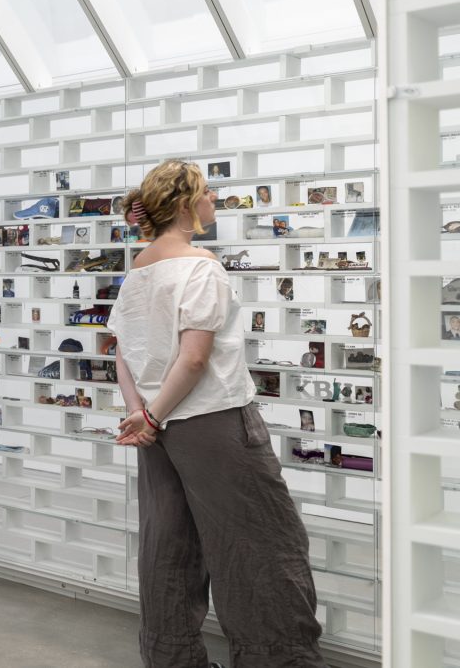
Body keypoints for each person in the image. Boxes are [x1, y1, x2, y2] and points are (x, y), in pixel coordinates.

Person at [107, 160, 326, 667]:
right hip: (211, 423)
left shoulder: (138, 271)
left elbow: (122, 353)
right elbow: (195, 357)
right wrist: (155, 416)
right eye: (208, 193)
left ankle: (173, 659)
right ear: (185, 205)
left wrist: (142, 414)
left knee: (168, 549)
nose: (214, 201)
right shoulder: (200, 266)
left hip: (157, 428)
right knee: (261, 545)